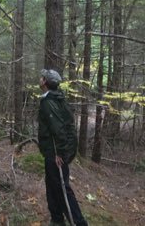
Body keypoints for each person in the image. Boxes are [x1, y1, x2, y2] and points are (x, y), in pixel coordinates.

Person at [38, 69, 88, 226]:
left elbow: (58, 129)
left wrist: (60, 153)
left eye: (42, 77)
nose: (40, 79)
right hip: (53, 151)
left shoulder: (49, 102)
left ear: (45, 82)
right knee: (52, 185)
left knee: (61, 188)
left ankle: (79, 222)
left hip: (56, 152)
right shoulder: (55, 98)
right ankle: (57, 219)